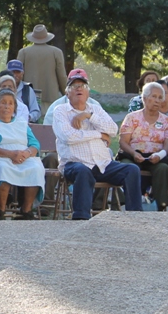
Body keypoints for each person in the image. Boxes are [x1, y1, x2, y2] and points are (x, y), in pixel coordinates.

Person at [52, 69, 142, 220]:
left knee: (131, 169)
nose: (79, 88)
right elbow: (69, 137)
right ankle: (81, 218)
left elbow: (113, 130)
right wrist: (99, 134)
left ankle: (135, 216)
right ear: (67, 93)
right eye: (74, 86)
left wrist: (89, 116)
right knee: (82, 170)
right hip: (74, 164)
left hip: (102, 164)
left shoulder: (96, 110)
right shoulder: (61, 111)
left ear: (88, 93)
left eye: (83, 86)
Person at [0, 88, 45, 219]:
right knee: (2, 169)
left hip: (22, 157)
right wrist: (10, 154)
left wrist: (26, 153)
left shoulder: (21, 123)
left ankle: (26, 210)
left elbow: (35, 144)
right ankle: (0, 209)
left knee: (36, 168)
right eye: (3, 102)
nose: (7, 106)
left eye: (10, 103)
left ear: (14, 107)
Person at [118, 82, 168, 211]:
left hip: (156, 156)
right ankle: (129, 204)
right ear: (144, 98)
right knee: (128, 167)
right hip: (133, 154)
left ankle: (161, 205)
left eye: (160, 97)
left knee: (163, 168)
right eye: (154, 96)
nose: (157, 100)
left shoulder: (166, 121)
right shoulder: (132, 118)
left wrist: (159, 155)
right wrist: (134, 153)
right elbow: (123, 142)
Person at [17, 24, 67, 105]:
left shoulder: (23, 52)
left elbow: (18, 75)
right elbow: (62, 76)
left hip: (29, 95)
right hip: (51, 96)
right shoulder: (56, 52)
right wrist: (66, 93)